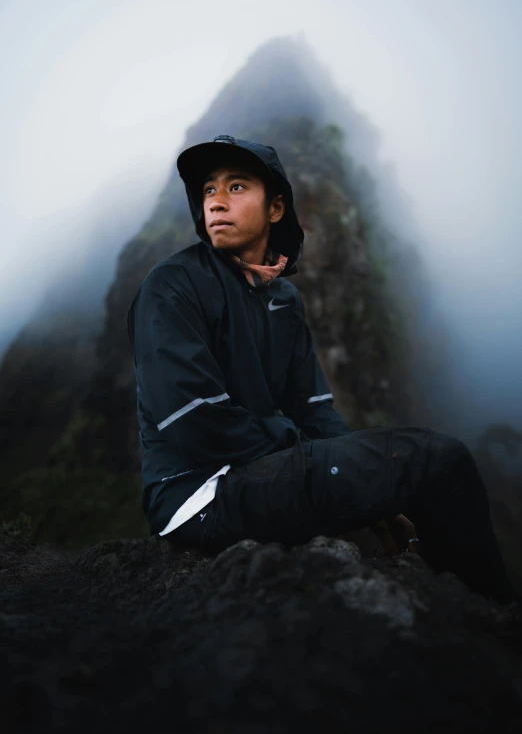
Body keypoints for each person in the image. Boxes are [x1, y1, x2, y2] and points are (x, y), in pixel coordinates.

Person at [127, 134, 519, 606]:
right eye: (208, 190)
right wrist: (314, 453)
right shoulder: (173, 285)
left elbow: (315, 412)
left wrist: (376, 492)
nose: (215, 202)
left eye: (235, 187)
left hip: (256, 471)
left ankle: (463, 620)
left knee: (409, 480)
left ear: (275, 208)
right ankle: (500, 619)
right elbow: (194, 422)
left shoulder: (283, 300)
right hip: (197, 493)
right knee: (438, 459)